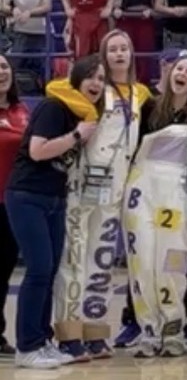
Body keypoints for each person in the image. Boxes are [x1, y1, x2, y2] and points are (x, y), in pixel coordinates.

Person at [51, 31, 151, 360]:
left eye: (125, 48)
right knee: (74, 258)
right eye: (113, 49)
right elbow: (54, 88)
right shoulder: (94, 88)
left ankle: (95, 331)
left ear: (132, 54)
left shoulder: (140, 93)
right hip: (82, 184)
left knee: (102, 262)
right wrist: (90, 111)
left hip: (115, 190)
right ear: (103, 56)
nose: (120, 54)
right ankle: (68, 334)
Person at [7, 55, 102, 369]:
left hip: (55, 198)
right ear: (76, 80)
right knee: (38, 269)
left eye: (102, 79)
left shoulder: (82, 114)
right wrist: (77, 135)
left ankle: (42, 340)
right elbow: (37, 150)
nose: (97, 84)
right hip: (28, 194)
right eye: (91, 77)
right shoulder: (54, 107)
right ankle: (27, 345)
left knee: (48, 271)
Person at [122, 53, 187, 357]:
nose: (182, 73)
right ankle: (147, 330)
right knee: (142, 261)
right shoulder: (148, 107)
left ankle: (172, 329)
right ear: (170, 73)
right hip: (142, 189)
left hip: (178, 191)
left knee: (172, 262)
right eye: (179, 68)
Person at [0, 54, 28, 355]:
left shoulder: (22, 112)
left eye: (5, 66)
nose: (1, 72)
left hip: (12, 202)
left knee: (4, 270)